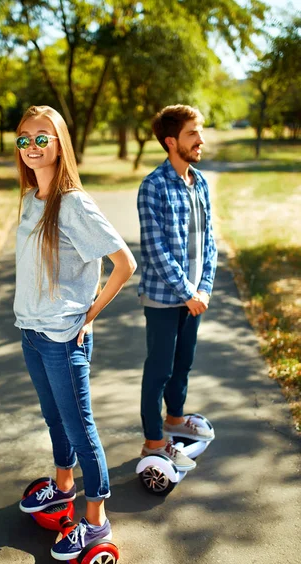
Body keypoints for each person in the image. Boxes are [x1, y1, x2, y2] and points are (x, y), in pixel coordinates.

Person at [13, 105, 136, 561]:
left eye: (42, 137)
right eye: (24, 138)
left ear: (61, 143)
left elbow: (124, 263)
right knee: (54, 419)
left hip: (64, 338)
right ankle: (63, 487)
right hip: (31, 331)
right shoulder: (30, 200)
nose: (31, 147)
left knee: (81, 428)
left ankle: (97, 521)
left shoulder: (74, 203)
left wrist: (90, 315)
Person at [137, 104, 218, 471]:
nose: (200, 140)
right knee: (160, 369)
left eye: (199, 133)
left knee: (183, 363)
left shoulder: (199, 182)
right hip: (164, 299)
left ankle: (174, 420)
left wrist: (204, 289)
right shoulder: (153, 186)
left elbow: (210, 242)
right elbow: (155, 249)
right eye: (192, 134)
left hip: (194, 298)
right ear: (171, 142)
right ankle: (154, 440)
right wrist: (187, 291)